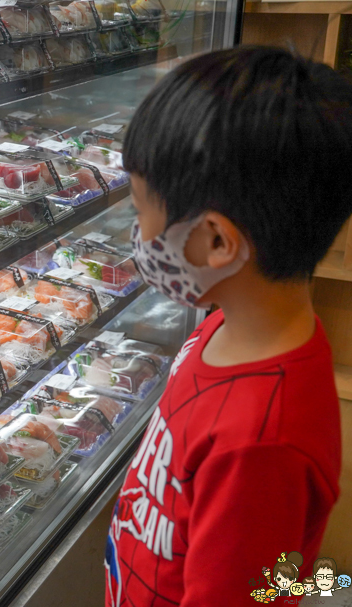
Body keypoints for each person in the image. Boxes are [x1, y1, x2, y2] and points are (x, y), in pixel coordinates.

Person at [103, 46, 352, 606]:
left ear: (217, 242)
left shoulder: (262, 445)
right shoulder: (221, 328)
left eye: (142, 210)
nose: (137, 231)